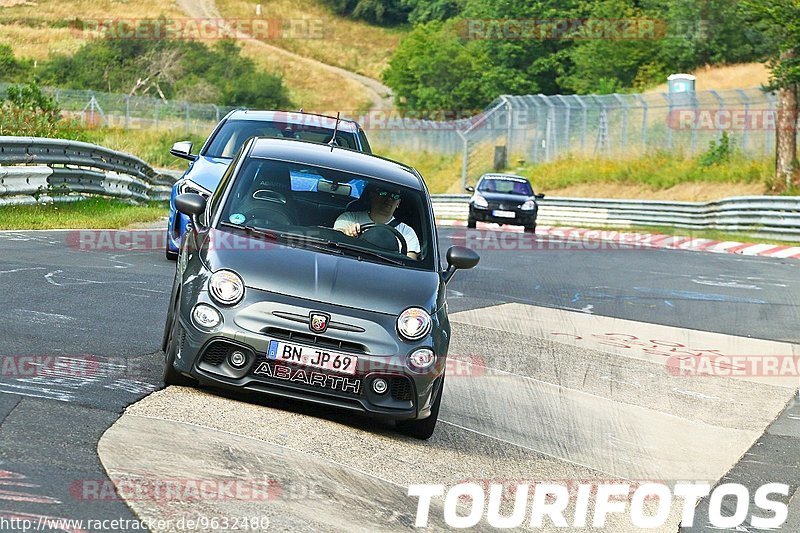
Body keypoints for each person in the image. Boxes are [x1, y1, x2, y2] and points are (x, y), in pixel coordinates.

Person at [334, 185, 421, 259]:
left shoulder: (407, 232)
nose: (389, 198)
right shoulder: (348, 219)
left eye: (395, 196)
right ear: (372, 196)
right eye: (384, 193)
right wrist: (347, 235)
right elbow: (335, 242)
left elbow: (409, 264)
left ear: (398, 202)